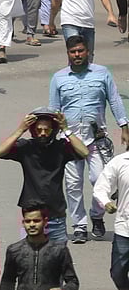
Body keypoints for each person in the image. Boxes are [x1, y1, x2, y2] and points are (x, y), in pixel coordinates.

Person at [48, 36, 129, 244]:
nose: (77, 55)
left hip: (97, 139)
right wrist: (50, 138)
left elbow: (115, 99)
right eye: (73, 51)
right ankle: (80, 226)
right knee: (73, 184)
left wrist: (124, 127)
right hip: (70, 140)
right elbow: (54, 110)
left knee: (100, 180)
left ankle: (97, 215)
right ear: (68, 53)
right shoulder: (58, 78)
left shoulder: (102, 73)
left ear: (87, 51)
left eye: (80, 51)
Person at [0, 107, 89, 242]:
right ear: (33, 131)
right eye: (39, 130)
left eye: (47, 130)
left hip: (56, 216)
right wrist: (20, 130)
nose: (43, 133)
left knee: (59, 259)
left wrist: (66, 130)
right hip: (31, 218)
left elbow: (84, 152)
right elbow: (0, 152)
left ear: (54, 130)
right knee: (29, 259)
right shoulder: (26, 147)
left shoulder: (61, 148)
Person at [94, 152, 129, 290]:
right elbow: (101, 186)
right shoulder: (120, 162)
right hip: (125, 229)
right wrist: (105, 201)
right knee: (118, 273)